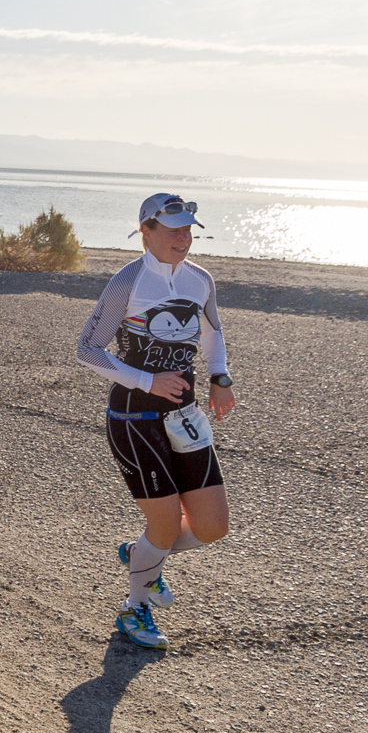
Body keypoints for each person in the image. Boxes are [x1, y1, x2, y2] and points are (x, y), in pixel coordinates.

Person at [75, 193, 237, 649]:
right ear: (145, 230)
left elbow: (213, 335)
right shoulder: (126, 282)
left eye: (189, 230)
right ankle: (135, 608)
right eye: (173, 231)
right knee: (165, 525)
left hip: (185, 415)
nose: (183, 239)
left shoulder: (200, 280)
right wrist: (146, 379)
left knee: (212, 527)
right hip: (135, 416)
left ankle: (141, 555)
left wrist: (220, 378)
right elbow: (87, 349)